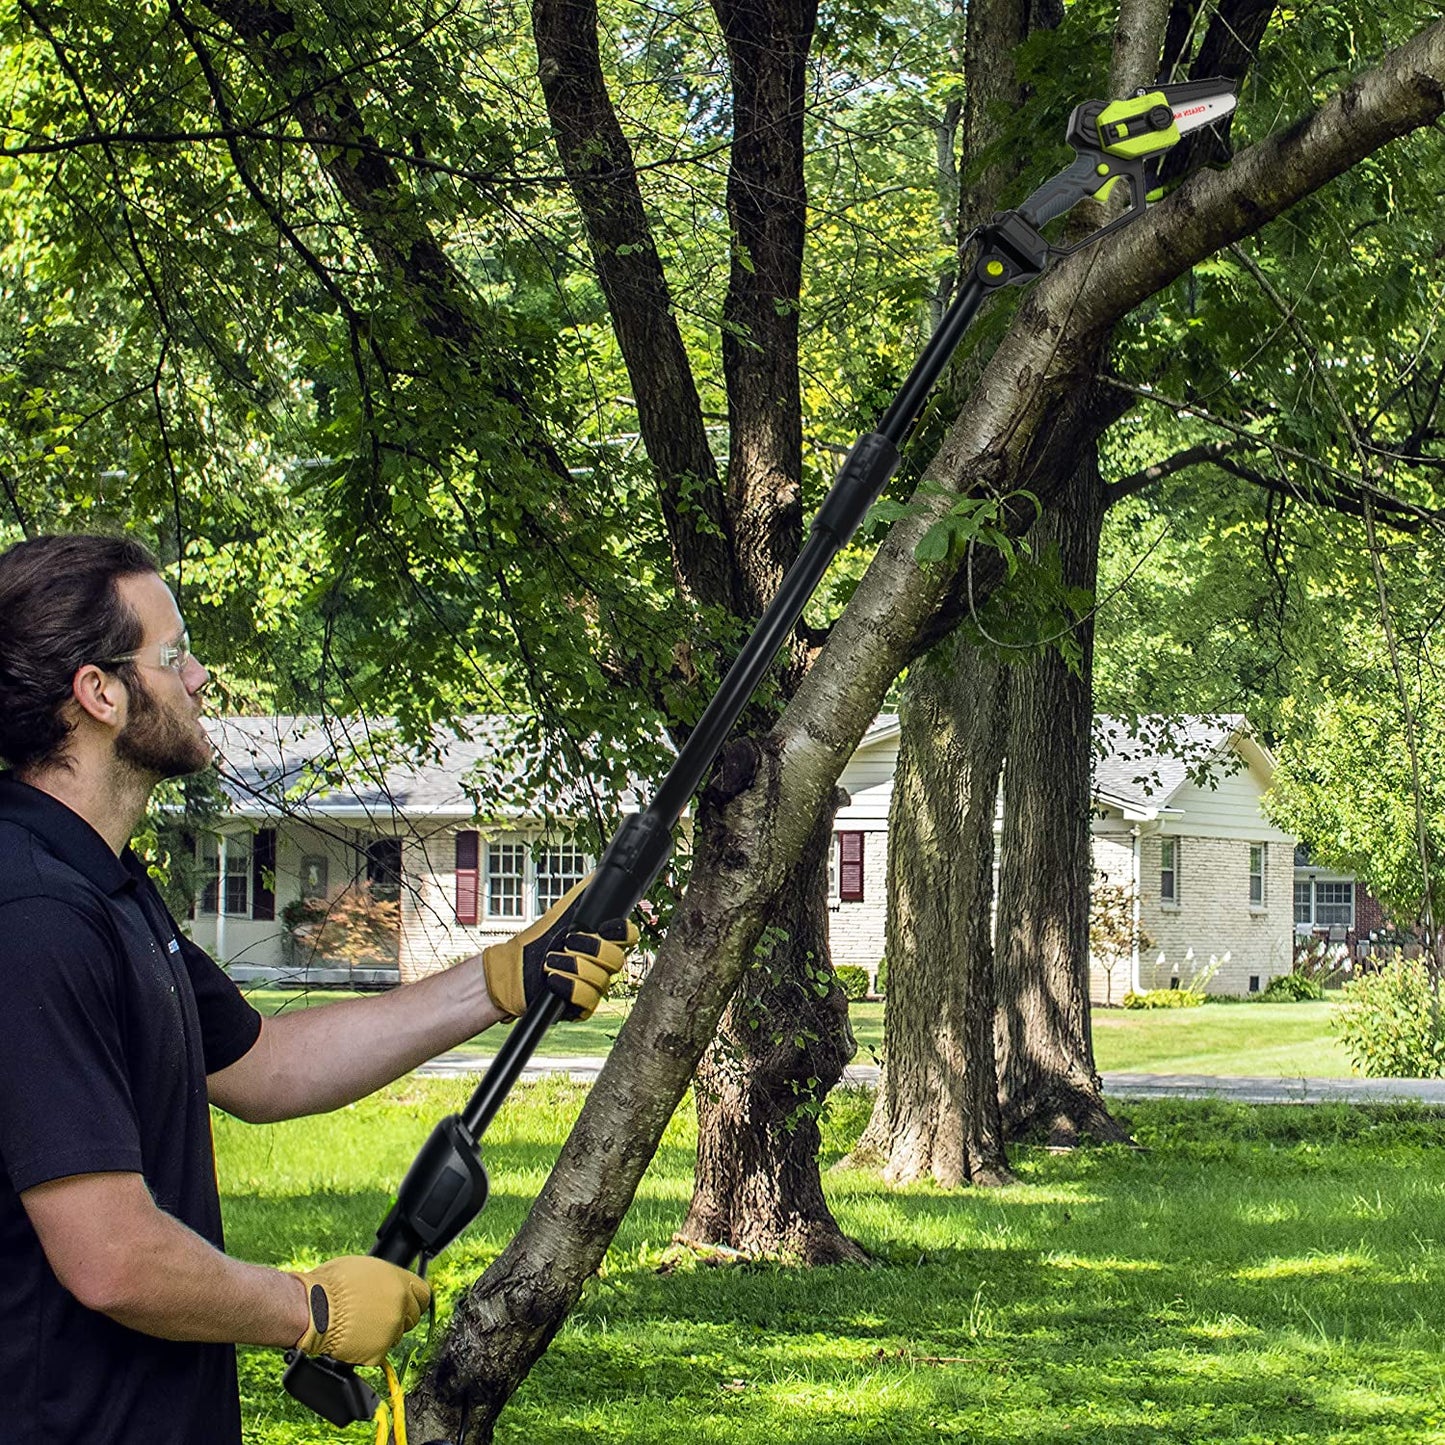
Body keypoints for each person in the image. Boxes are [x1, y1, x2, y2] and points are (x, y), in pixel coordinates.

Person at [0, 533, 639, 1445]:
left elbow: (264, 1065)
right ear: (99, 693)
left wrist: (500, 980)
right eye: (174, 655)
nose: (202, 676)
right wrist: (307, 1307)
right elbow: (111, 1256)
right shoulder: (32, 909)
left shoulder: (105, 889)